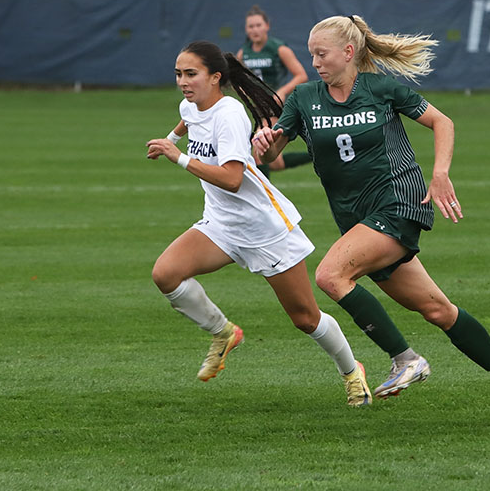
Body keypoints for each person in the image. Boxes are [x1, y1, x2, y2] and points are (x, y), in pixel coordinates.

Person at [251, 15, 490, 425]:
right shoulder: (303, 98)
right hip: (357, 220)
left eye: (321, 53)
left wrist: (440, 174)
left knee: (331, 276)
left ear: (348, 53)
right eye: (311, 53)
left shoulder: (380, 89)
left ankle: (406, 358)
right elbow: (271, 154)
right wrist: (265, 141)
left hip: (400, 203)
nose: (314, 62)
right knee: (439, 311)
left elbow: (443, 122)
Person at [146, 40, 372, 407]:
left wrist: (179, 157)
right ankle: (223, 333)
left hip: (264, 229)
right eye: (178, 74)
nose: (183, 82)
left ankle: (351, 371)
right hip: (220, 225)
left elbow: (233, 179)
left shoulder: (230, 114)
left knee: (305, 318)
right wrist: (172, 137)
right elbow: (189, 116)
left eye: (191, 74)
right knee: (166, 274)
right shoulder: (190, 103)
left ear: (215, 77)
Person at [235, 5, 310, 177]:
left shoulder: (279, 49)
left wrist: (282, 92)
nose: (255, 30)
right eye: (251, 26)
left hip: (275, 107)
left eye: (258, 25)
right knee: (275, 162)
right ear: (246, 29)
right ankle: (317, 156)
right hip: (259, 109)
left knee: (260, 149)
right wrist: (245, 92)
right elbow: (237, 80)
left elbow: (301, 75)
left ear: (267, 26)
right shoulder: (243, 52)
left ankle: (264, 201)